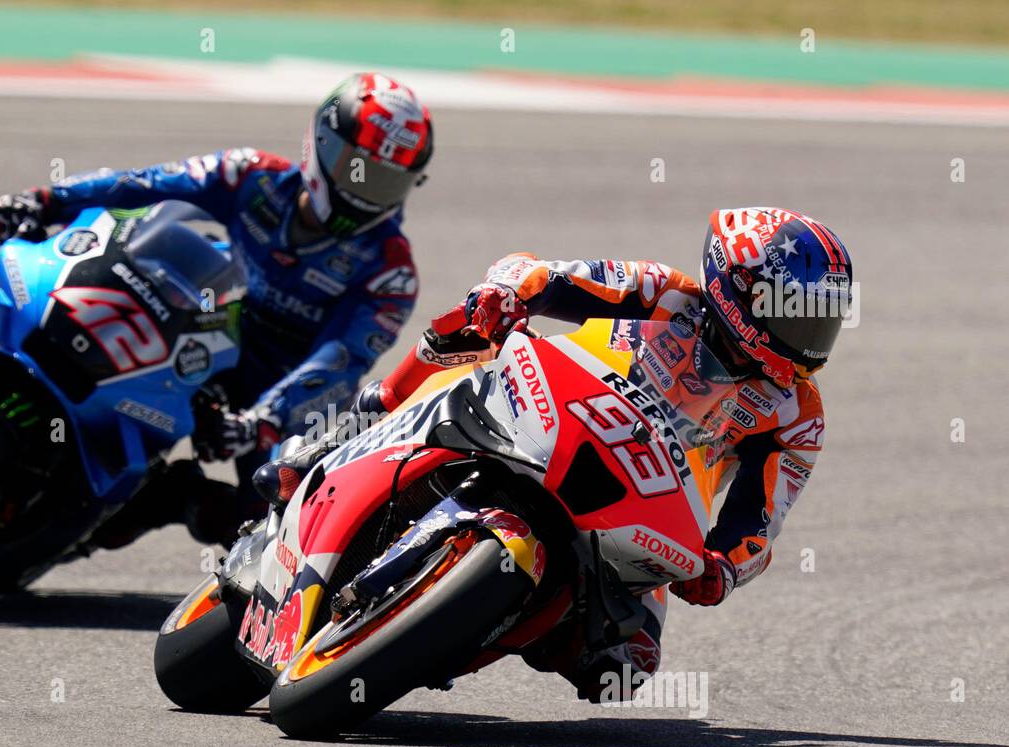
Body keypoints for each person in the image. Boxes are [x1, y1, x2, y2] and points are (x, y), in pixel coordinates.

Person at [261, 207, 852, 701]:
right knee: (463, 332)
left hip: (644, 506)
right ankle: (348, 430)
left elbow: (761, 519)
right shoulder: (663, 292)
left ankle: (437, 639)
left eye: (821, 318)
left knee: (623, 671)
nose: (809, 334)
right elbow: (539, 274)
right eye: (797, 311)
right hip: (545, 409)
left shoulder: (798, 411)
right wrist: (506, 294)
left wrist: (721, 568)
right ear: (739, 286)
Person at [0, 73, 433, 546]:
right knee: (74, 325)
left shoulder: (390, 272)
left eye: (388, 181)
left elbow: (342, 360)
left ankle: (171, 499)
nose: (367, 193)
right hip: (203, 325)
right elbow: (142, 184)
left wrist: (266, 417)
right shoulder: (249, 175)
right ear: (322, 141)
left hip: (282, 385)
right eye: (361, 169)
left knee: (287, 512)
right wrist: (49, 199)